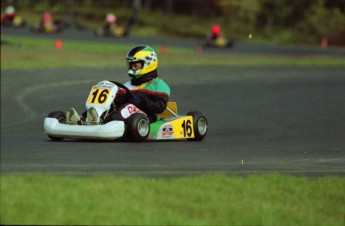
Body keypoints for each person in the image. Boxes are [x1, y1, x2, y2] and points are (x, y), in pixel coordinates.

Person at [66, 45, 170, 125]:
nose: (132, 68)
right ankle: (83, 119)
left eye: (135, 65)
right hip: (125, 116)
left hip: (146, 117)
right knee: (109, 105)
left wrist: (140, 101)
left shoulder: (159, 84)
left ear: (148, 64)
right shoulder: (127, 85)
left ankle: (101, 122)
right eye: (130, 65)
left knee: (128, 107)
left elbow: (160, 107)